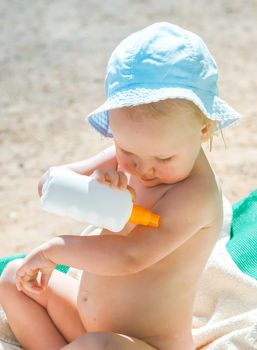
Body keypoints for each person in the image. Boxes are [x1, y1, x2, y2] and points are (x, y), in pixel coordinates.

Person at [0, 22, 241, 350]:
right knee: (15, 278)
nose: (145, 169)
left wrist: (55, 249)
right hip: (86, 323)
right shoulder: (134, 153)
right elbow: (49, 186)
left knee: (97, 346)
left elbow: (130, 255)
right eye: (127, 151)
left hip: (143, 343)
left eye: (164, 157)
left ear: (203, 130)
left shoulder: (193, 196)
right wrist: (95, 188)